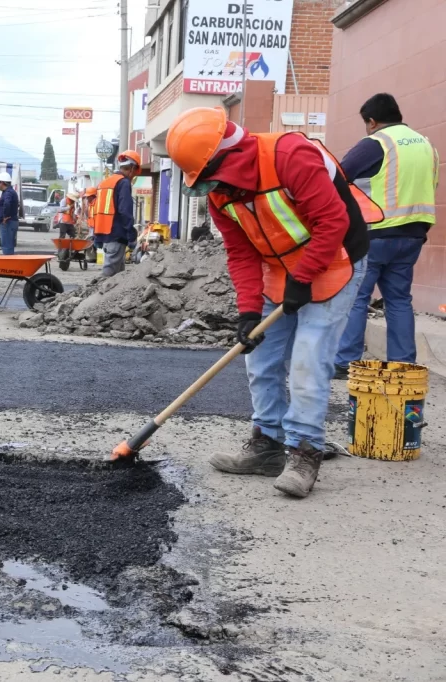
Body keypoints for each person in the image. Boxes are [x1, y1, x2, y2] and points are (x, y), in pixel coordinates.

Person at [166, 106, 373, 499]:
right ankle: (267, 447)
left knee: (309, 358)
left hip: (336, 259)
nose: (210, 187)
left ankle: (304, 451)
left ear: (228, 157)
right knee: (258, 356)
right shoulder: (221, 195)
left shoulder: (289, 156)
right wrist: (247, 310)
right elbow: (241, 254)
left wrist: (305, 275)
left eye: (209, 176)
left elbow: (333, 221)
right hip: (282, 270)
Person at [334, 93, 439, 377]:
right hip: (414, 235)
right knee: (399, 300)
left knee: (357, 297)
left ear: (371, 121)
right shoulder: (427, 146)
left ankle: (346, 361)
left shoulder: (376, 143)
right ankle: (402, 364)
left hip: (376, 235)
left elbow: (339, 176)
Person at [92, 151, 139, 277]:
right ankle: (97, 295)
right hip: (117, 235)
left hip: (105, 235)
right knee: (108, 277)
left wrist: (97, 236)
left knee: (118, 277)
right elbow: (125, 210)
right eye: (134, 174)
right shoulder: (123, 182)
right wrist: (131, 234)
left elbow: (96, 210)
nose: (133, 177)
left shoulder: (105, 183)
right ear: (133, 169)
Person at [0, 172, 20, 255]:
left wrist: (5, 216)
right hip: (11, 221)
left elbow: (7, 204)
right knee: (9, 245)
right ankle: (10, 264)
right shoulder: (10, 192)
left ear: (2, 182)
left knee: (7, 246)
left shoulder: (8, 193)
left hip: (8, 223)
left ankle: (8, 266)